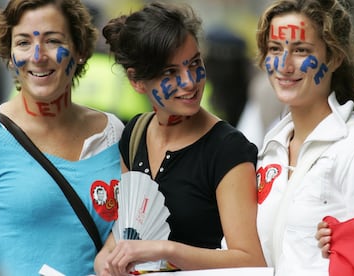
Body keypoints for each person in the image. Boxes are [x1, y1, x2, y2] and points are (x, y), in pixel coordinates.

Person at [94, 2, 266, 275]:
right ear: (137, 81)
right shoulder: (135, 134)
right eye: (170, 73)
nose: (189, 81)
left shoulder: (228, 149)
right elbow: (127, 229)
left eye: (195, 63)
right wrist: (105, 258)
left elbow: (251, 260)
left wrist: (166, 249)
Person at [254, 0, 354, 275]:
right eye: (275, 49)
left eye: (301, 51)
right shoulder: (270, 149)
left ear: (334, 57)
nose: (284, 65)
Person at [0, 1, 124, 275]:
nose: (37, 55)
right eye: (23, 42)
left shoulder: (113, 133)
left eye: (52, 40)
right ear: (10, 56)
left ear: (81, 50)